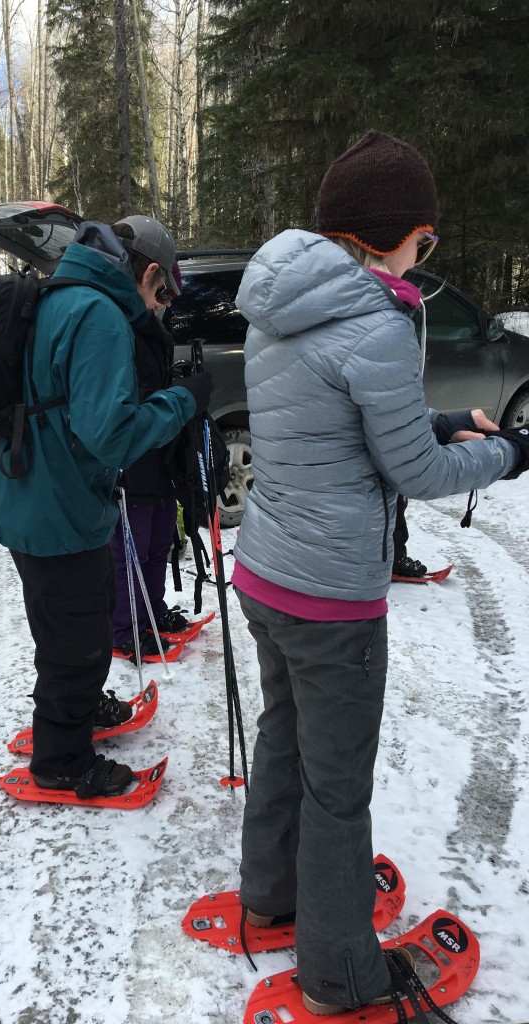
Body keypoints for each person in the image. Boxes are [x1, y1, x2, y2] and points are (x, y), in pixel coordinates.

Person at [228, 131, 528, 1013]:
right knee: (338, 790)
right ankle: (342, 974)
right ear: (397, 236)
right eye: (424, 240)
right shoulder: (378, 322)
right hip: (330, 603)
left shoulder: (283, 304)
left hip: (268, 578)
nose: (424, 254)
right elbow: (419, 480)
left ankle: (272, 894)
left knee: (286, 737)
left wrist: (439, 422)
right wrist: (506, 455)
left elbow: (331, 423)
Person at [0, 217, 213, 799]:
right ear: (150, 273)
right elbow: (110, 435)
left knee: (68, 628)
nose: (161, 308)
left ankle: (79, 710)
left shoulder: (59, 294)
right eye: (163, 293)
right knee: (76, 641)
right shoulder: (99, 314)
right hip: (56, 508)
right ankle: (62, 762)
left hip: (31, 493)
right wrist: (181, 401)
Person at [109, 251, 188, 662]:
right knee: (129, 553)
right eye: (165, 293)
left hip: (161, 456)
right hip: (131, 458)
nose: (167, 303)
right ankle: (124, 628)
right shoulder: (119, 326)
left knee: (160, 544)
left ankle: (152, 616)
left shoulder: (157, 329)